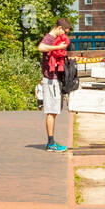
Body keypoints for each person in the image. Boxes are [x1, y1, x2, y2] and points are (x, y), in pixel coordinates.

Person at [37, 18, 71, 151]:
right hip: (50, 79)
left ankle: (51, 142)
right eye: (64, 32)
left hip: (52, 79)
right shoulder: (50, 37)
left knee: (54, 111)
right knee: (51, 111)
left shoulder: (53, 37)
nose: (64, 35)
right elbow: (41, 47)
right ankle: (51, 144)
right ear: (59, 28)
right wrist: (58, 47)